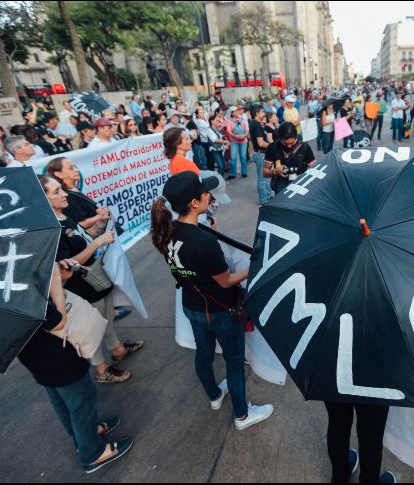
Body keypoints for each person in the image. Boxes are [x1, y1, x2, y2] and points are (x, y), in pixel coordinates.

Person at [150, 172, 274, 429]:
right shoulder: (204, 241)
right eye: (205, 192)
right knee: (234, 362)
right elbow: (226, 281)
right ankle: (242, 416)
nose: (209, 195)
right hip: (220, 311)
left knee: (203, 353)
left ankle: (214, 395)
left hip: (192, 306)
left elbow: (191, 259)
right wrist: (255, 267)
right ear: (195, 203)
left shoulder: (167, 231)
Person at [16, 257, 134, 473]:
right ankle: (92, 453)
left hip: (33, 355)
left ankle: (84, 436)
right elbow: (56, 321)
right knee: (83, 400)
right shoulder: (13, 286)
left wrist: (60, 280)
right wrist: (55, 284)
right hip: (55, 353)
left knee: (60, 399)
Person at [40, 175, 144, 383]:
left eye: (61, 188)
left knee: (107, 317)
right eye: (56, 191)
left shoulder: (63, 216)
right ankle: (101, 368)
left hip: (95, 278)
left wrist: (100, 224)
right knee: (94, 325)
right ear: (43, 199)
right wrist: (98, 243)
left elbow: (83, 237)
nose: (64, 194)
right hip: (82, 285)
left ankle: (117, 349)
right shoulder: (51, 229)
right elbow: (65, 265)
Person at [262, 122, 316, 196]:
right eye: (285, 143)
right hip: (281, 187)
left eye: (292, 143)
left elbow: (314, 169)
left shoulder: (305, 147)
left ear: (296, 137)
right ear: (280, 138)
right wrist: (275, 171)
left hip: (301, 185)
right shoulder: (273, 147)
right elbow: (265, 172)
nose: (289, 146)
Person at [248, 105, 272, 204]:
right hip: (261, 154)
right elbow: (261, 143)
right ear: (257, 113)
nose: (264, 113)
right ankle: (264, 200)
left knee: (265, 178)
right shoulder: (256, 125)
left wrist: (250, 152)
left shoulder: (253, 123)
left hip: (259, 154)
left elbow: (250, 138)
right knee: (263, 179)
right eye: (262, 111)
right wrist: (273, 145)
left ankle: (267, 196)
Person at [226, 106, 249, 179]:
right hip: (234, 141)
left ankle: (244, 172)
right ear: (231, 113)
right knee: (233, 157)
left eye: (237, 111)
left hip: (243, 140)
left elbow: (247, 129)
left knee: (243, 157)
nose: (237, 112)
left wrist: (244, 135)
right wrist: (235, 136)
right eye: (235, 111)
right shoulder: (229, 121)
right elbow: (229, 131)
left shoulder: (243, 119)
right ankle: (232, 173)